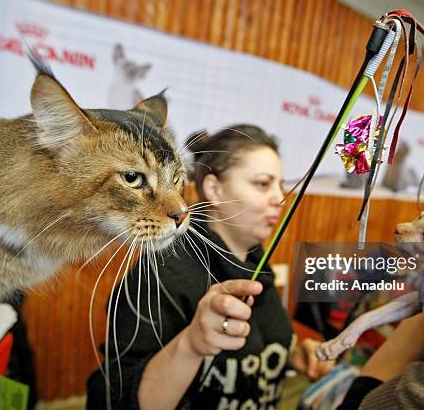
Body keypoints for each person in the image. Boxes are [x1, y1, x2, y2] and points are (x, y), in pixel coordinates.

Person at [87, 124, 332, 409]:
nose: (279, 198)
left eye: (280, 184)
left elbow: (252, 350)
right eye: (263, 183)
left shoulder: (256, 262)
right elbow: (109, 400)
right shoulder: (163, 273)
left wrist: (290, 355)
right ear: (214, 188)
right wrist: (191, 344)